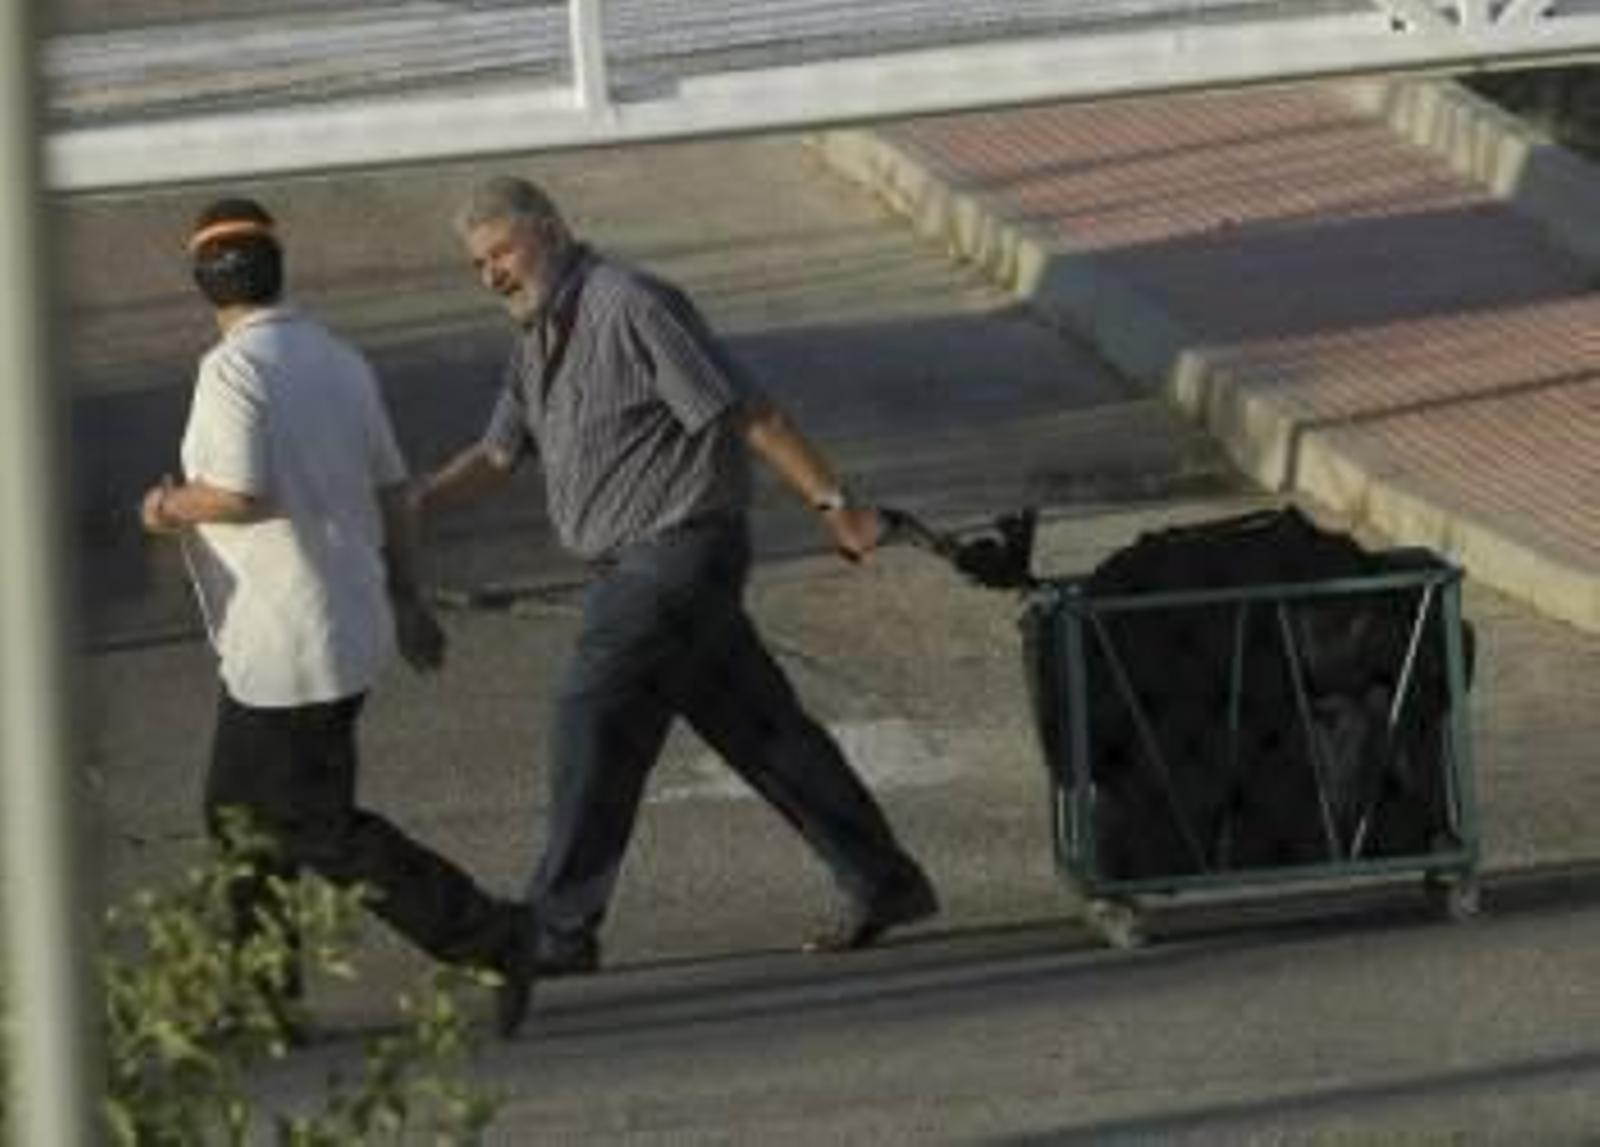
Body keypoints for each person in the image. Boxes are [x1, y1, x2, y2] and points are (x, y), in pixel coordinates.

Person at [413, 176, 938, 981]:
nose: (493, 274)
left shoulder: (631, 303)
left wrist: (839, 506)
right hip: (640, 563)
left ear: (549, 230)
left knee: (592, 716)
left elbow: (744, 410)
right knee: (763, 731)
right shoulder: (537, 335)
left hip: (676, 551)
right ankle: (884, 879)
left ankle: (558, 926)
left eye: (503, 252)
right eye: (478, 264)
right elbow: (493, 456)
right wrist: (410, 509)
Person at [140, 197, 536, 1039]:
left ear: (203, 283)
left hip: (289, 638)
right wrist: (407, 598)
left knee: (312, 824)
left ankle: (496, 935)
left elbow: (240, 493)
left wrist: (166, 505)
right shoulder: (337, 359)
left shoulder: (231, 370)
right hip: (341, 624)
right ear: (278, 268)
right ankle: (264, 997)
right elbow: (395, 492)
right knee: (240, 812)